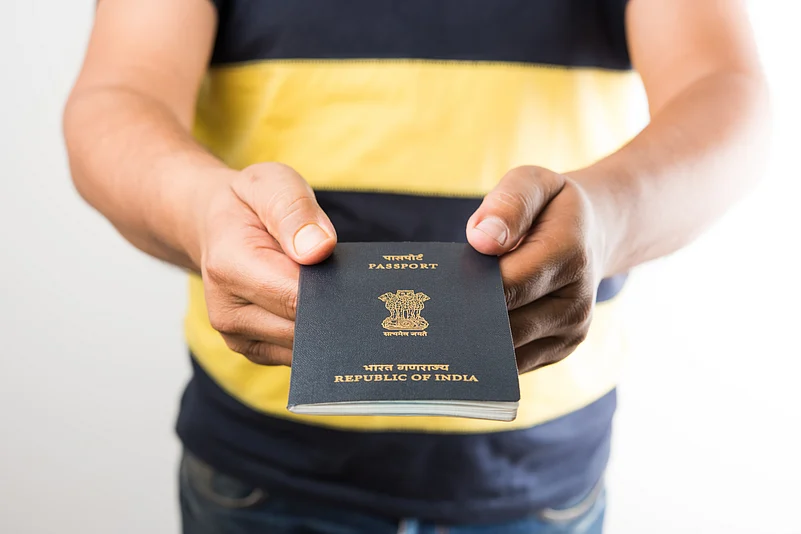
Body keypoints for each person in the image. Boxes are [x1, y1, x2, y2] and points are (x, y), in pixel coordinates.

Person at [63, 0, 768, 532]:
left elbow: (724, 90)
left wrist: (610, 217)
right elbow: (117, 98)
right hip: (263, 463)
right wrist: (198, 214)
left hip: (538, 469)